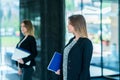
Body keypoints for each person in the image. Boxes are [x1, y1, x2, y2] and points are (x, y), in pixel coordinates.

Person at [56, 14, 93, 80]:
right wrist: (61, 70)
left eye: (69, 23)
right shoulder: (71, 40)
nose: (67, 26)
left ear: (76, 25)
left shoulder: (86, 43)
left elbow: (85, 69)